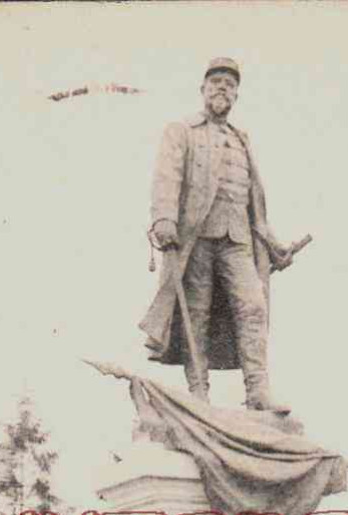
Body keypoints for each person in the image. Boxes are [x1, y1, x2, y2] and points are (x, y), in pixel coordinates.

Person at [139, 57, 296, 412]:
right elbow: (167, 177)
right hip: (196, 238)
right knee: (197, 313)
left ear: (237, 94)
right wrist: (164, 218)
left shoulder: (243, 140)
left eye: (229, 83)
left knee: (254, 306)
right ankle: (199, 394)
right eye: (215, 82)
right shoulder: (182, 131)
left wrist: (274, 247)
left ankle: (258, 392)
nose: (222, 88)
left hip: (238, 240)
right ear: (203, 90)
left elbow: (253, 202)